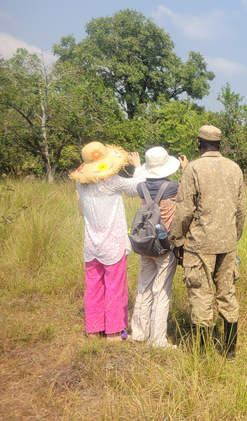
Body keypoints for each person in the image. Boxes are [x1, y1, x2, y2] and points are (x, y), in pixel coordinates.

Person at [169, 125, 245, 359]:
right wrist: (234, 236)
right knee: (227, 294)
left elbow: (184, 210)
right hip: (227, 243)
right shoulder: (234, 168)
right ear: (220, 144)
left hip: (200, 244)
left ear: (199, 143)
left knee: (201, 295)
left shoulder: (193, 168)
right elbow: (240, 210)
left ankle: (203, 354)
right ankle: (230, 351)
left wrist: (177, 239)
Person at [72, 142, 143, 342]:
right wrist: (137, 167)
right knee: (115, 286)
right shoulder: (111, 181)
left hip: (91, 243)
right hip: (113, 243)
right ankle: (113, 331)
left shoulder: (81, 183)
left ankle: (94, 329)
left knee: (93, 285)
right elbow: (136, 188)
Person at [129, 146, 185, 348]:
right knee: (161, 292)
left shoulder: (140, 188)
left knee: (143, 287)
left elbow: (137, 181)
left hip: (145, 243)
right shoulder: (173, 187)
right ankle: (158, 340)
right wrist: (186, 169)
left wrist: (136, 168)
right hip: (164, 246)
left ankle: (139, 332)